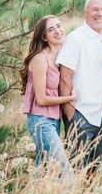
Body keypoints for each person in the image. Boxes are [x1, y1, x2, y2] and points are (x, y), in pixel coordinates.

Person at [56, 0, 102, 171]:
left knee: (94, 168)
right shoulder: (75, 39)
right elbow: (64, 79)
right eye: (95, 9)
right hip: (81, 114)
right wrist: (71, 117)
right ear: (85, 12)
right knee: (77, 168)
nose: (100, 14)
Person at [19, 15, 75, 178]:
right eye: (51, 30)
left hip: (53, 120)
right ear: (44, 37)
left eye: (59, 26)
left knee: (43, 169)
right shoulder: (40, 59)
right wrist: (69, 98)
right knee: (65, 170)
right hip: (40, 121)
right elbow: (41, 99)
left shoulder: (61, 56)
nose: (57, 31)